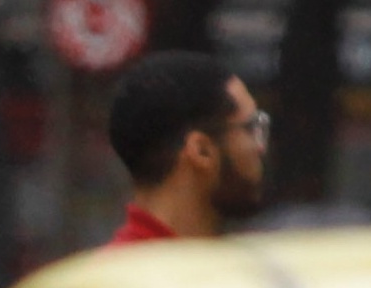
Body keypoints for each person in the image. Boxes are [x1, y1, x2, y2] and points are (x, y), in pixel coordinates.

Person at [104, 52, 270, 243]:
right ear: (201, 150)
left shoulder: (115, 268)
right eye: (251, 128)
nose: (260, 147)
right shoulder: (140, 270)